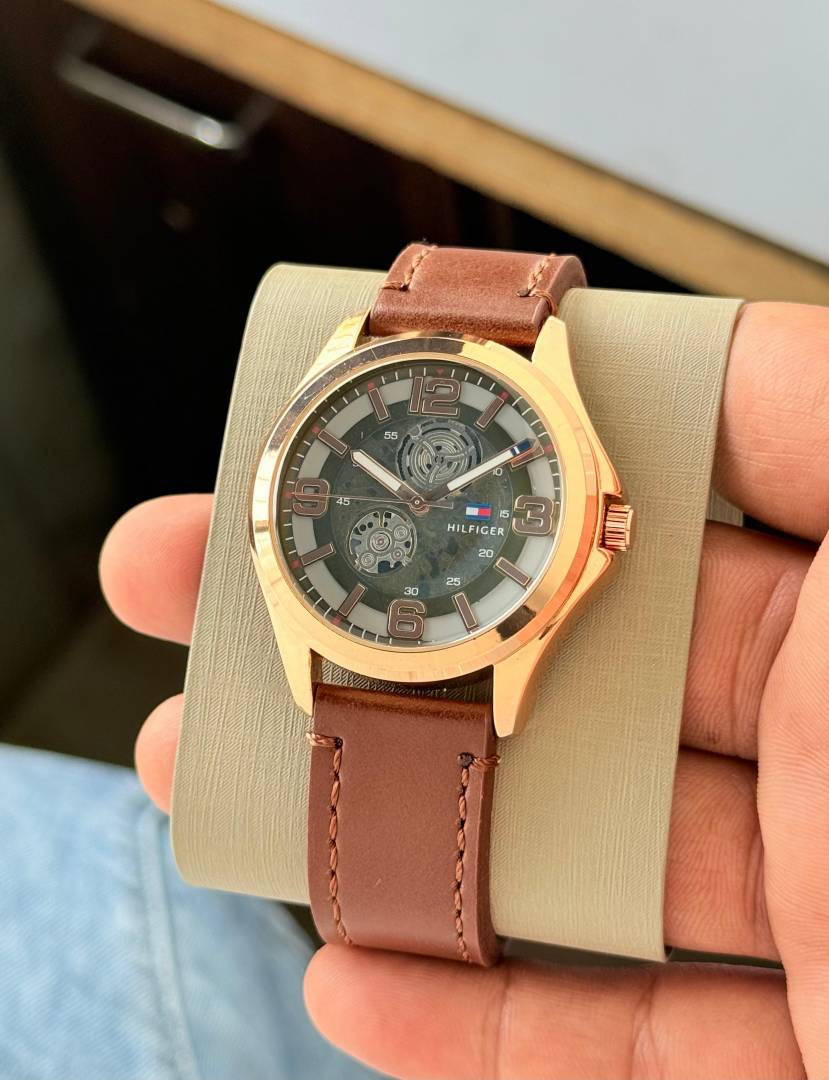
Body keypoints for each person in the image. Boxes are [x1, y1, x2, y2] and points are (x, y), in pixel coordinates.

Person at [4, 301, 827, 1079]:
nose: (422, 493)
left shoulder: (547, 416)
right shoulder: (345, 388)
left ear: (604, 526)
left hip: (469, 642)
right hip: (342, 638)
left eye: (437, 482)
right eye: (410, 482)